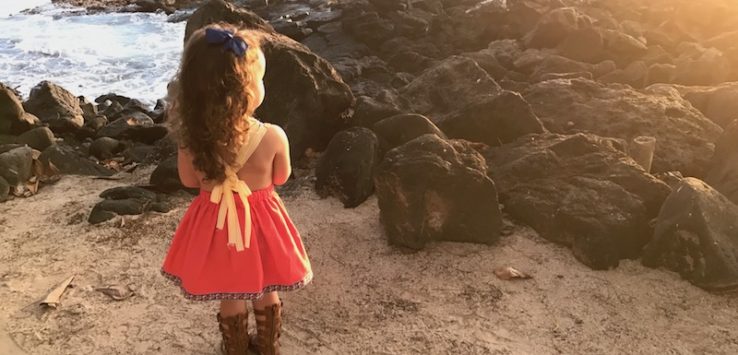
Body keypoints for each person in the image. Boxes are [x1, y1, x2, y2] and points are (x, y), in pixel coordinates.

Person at [161, 22, 312, 355]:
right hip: (261, 220)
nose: (262, 84)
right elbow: (281, 177)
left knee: (230, 289)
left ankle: (236, 347)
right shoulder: (273, 135)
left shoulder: (191, 142)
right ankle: (268, 344)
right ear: (244, 90)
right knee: (266, 283)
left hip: (216, 223)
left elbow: (188, 181)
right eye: (258, 79)